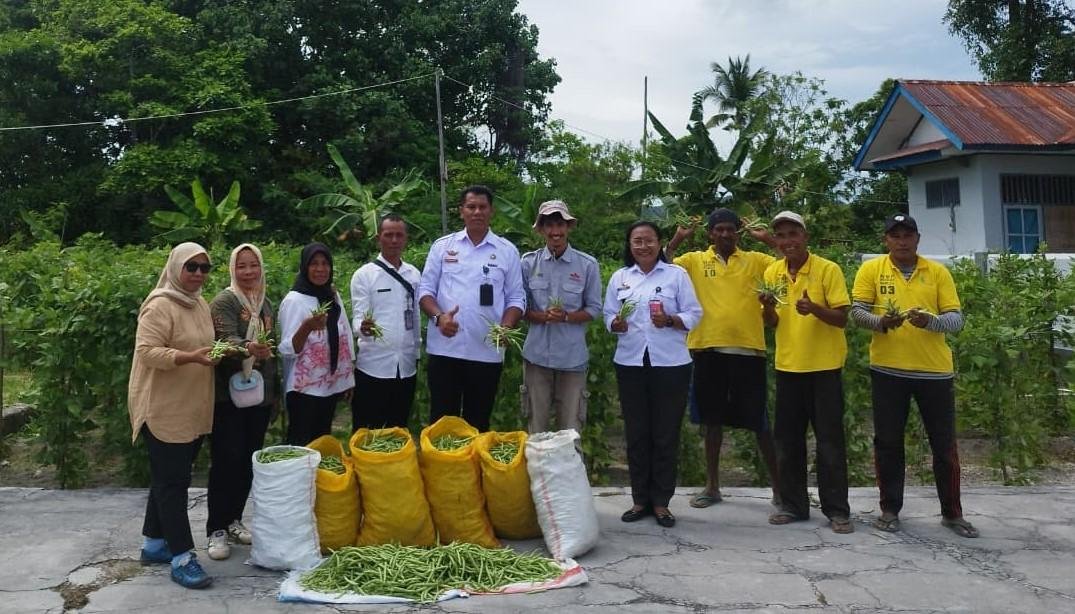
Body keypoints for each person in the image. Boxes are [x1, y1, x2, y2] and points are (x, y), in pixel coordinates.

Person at [851, 214, 979, 538]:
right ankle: (890, 510)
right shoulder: (871, 270)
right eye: (895, 235)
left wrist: (930, 322)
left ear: (918, 239)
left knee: (944, 445)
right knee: (888, 443)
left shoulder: (936, 272)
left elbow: (956, 319)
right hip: (887, 370)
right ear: (886, 240)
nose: (902, 241)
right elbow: (857, 312)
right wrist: (881, 322)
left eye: (908, 235)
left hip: (934, 372)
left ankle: (953, 513)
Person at [666, 207, 781, 509]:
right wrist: (677, 240)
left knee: (760, 423)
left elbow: (787, 262)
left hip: (749, 350)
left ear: (738, 233)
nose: (725, 234)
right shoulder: (694, 261)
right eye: (719, 230)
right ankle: (712, 486)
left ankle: (780, 490)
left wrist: (768, 239)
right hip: (708, 350)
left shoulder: (756, 261)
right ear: (710, 234)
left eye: (731, 229)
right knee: (712, 421)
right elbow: (663, 268)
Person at [128, 242, 217, 589]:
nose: (197, 274)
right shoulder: (160, 305)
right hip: (164, 408)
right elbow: (147, 352)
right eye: (190, 267)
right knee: (173, 484)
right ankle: (182, 557)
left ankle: (153, 544)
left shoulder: (199, 303)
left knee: (168, 479)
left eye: (204, 268)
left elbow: (207, 344)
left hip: (190, 406)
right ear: (176, 267)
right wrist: (188, 357)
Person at [759, 211, 854, 534]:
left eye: (792, 234)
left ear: (805, 236)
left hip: (824, 367)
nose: (787, 241)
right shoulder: (772, 271)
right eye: (781, 235)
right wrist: (769, 307)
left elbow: (842, 318)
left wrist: (814, 309)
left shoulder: (828, 270)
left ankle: (837, 511)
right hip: (788, 366)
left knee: (829, 442)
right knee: (787, 441)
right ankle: (794, 506)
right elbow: (772, 323)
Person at [604, 221, 702, 529]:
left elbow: (695, 314)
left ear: (660, 243)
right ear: (629, 245)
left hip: (670, 364)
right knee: (637, 433)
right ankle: (639, 500)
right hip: (631, 362)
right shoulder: (621, 277)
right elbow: (609, 314)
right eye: (637, 241)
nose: (643, 246)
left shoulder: (676, 275)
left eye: (649, 240)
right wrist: (614, 325)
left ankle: (661, 502)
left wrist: (671, 319)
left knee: (665, 434)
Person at [418, 185, 525, 432]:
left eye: (482, 207)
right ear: (461, 211)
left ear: (491, 211)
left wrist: (507, 327)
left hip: (486, 352)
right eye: (471, 207)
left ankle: (473, 470)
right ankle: (443, 470)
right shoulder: (443, 246)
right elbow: (425, 291)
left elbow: (516, 298)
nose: (477, 212)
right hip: (446, 350)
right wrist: (438, 316)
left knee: (478, 423)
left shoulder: (507, 251)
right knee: (442, 424)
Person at [205, 243, 278, 561]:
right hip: (228, 396)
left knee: (248, 459)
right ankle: (216, 529)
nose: (248, 272)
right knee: (226, 460)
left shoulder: (265, 302)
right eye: (242, 266)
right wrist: (248, 347)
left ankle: (234, 519)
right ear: (232, 269)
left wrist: (274, 396)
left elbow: (272, 347)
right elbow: (223, 340)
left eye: (253, 265)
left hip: (258, 395)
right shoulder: (224, 301)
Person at [520, 200, 602, 434]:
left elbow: (594, 308)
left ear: (568, 227)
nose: (555, 232)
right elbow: (520, 307)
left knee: (571, 430)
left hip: (572, 359)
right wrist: (541, 316)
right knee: (537, 427)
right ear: (542, 229)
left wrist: (566, 317)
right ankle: (538, 471)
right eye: (549, 225)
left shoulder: (587, 265)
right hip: (536, 358)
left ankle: (570, 471)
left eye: (560, 225)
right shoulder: (528, 263)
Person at [278, 243, 355, 446]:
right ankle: (299, 479)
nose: (320, 269)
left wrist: (347, 376)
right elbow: (287, 350)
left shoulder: (332, 296)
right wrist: (307, 327)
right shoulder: (294, 300)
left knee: (322, 442)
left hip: (328, 385)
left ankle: (320, 479)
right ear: (305, 267)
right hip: (304, 390)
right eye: (314, 264)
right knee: (301, 444)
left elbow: (344, 333)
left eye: (325, 264)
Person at [349, 214, 422, 430]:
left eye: (399, 235)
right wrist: (363, 328)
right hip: (373, 367)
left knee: (397, 429)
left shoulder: (414, 275)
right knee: (367, 430)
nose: (394, 240)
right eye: (388, 235)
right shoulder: (364, 275)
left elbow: (416, 316)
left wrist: (417, 353)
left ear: (406, 238)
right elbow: (358, 318)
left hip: (406, 366)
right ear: (378, 238)